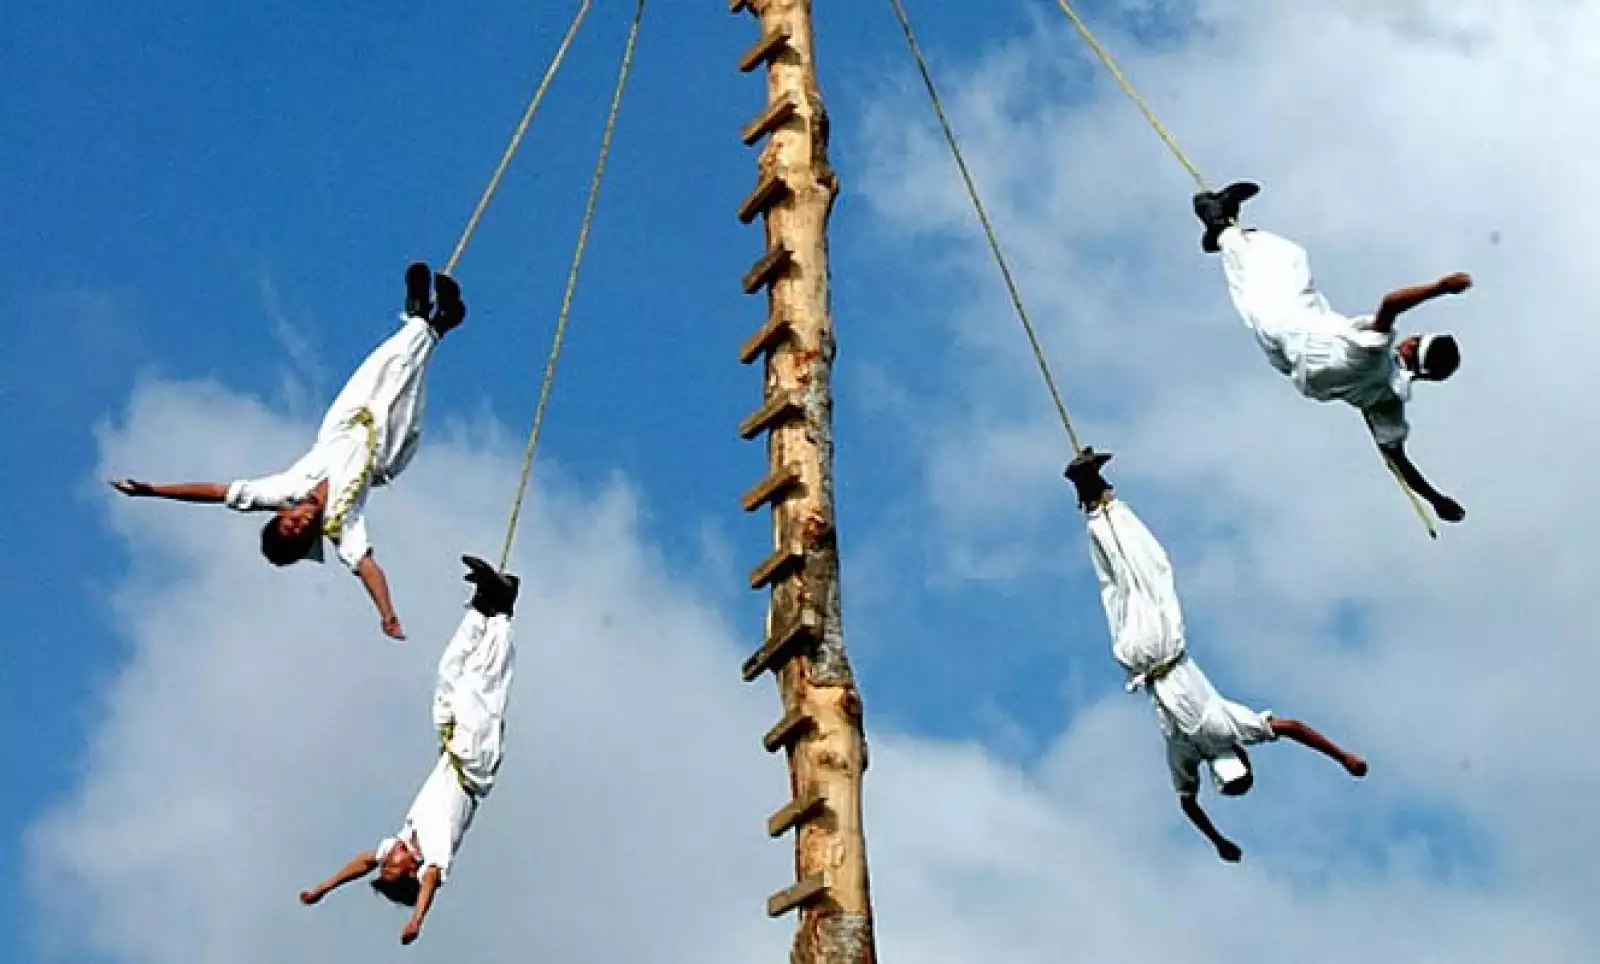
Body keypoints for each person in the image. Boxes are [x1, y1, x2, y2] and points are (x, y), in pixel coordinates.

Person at [108, 263, 466, 639]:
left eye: (288, 523)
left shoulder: (281, 491)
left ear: (282, 513)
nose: (297, 524)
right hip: (385, 451)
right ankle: (428, 321)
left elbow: (216, 493)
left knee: (383, 365)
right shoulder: (341, 528)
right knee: (407, 379)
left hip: (343, 425)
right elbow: (368, 568)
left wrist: (153, 490)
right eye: (298, 533)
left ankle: (425, 320)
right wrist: (387, 614)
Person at [1066, 448, 1368, 862]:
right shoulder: (1185, 754)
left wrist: (1343, 757)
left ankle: (1100, 496)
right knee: (1116, 586)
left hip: (1161, 645)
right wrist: (1217, 841)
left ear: (1241, 757)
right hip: (1133, 659)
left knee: (1147, 568)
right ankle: (1091, 501)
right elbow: (1188, 804)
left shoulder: (1229, 730)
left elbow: (1294, 727)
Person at [1192, 182, 1468, 523]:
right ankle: (1222, 230)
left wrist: (1440, 287)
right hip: (1282, 353)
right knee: (1263, 273)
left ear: (1413, 347)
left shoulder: (1377, 353)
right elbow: (1399, 462)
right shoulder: (1387, 402)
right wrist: (1435, 500)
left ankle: (1217, 219)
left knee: (1281, 262)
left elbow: (1391, 303)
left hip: (1292, 322)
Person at [297, 556, 518, 945]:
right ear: (411, 869)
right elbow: (431, 881)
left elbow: (365, 861)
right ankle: (501, 613)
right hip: (474, 767)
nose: (388, 858)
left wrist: (323, 887)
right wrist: (417, 919)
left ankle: (483, 605)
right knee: (481, 687)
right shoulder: (434, 854)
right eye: (393, 866)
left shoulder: (403, 838)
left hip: (450, 751)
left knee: (449, 674)